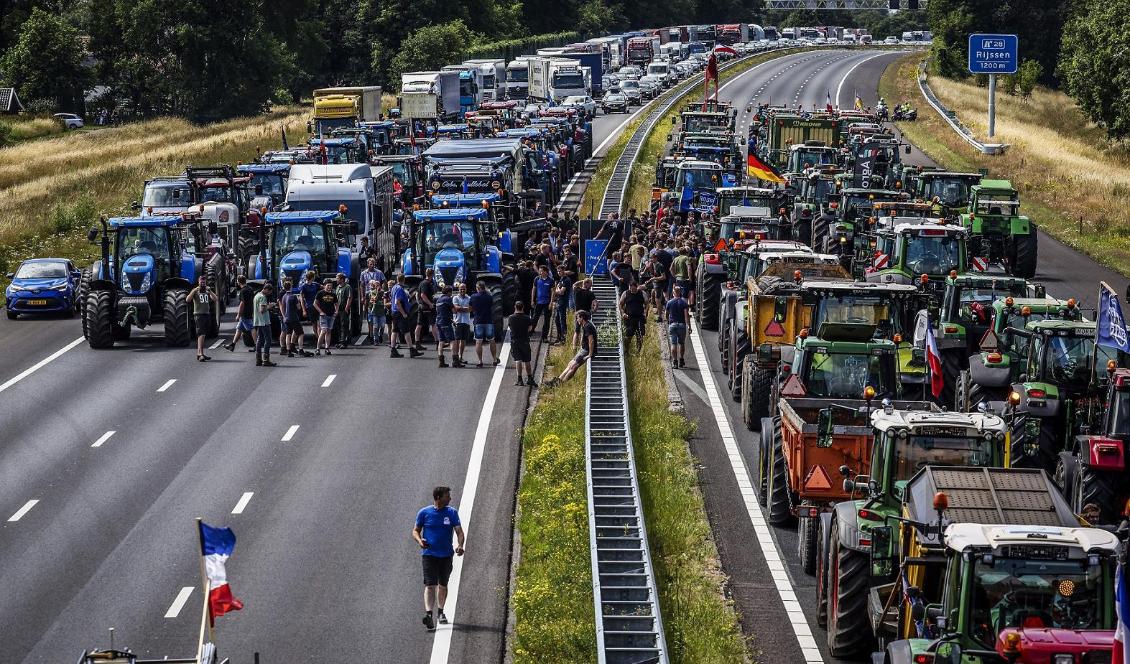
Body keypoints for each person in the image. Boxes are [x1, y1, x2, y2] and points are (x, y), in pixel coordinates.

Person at [412, 486, 465, 632]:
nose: (450, 498)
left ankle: (441, 612)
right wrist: (420, 541)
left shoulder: (452, 513)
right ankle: (429, 614)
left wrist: (460, 545)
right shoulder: (424, 513)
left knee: (443, 584)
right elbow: (415, 531)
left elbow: (459, 532)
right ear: (438, 498)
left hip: (446, 555)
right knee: (430, 584)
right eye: (447, 496)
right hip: (429, 555)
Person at [548, 309, 596, 385]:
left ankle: (561, 384)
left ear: (582, 318)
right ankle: (558, 380)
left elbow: (591, 340)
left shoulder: (587, 326)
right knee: (570, 364)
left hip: (586, 350)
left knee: (574, 366)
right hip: (583, 349)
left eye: (578, 318)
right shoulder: (585, 325)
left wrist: (590, 354)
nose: (577, 320)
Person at [187, 275, 217, 362]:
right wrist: (194, 291)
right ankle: (200, 354)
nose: (202, 284)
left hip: (206, 314)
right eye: (201, 282)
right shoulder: (196, 291)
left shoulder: (207, 290)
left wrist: (210, 291)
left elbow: (215, 299)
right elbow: (188, 300)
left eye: (204, 282)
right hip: (198, 315)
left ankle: (200, 353)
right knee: (201, 334)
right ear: (198, 282)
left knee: (203, 335)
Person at [469, 280, 500, 367]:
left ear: (478, 288)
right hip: (488, 321)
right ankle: (494, 359)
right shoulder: (489, 297)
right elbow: (491, 305)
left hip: (478, 321)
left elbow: (470, 308)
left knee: (478, 341)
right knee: (491, 340)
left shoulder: (474, 297)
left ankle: (480, 361)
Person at [389, 274, 420, 358]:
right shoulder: (399, 289)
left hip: (394, 312)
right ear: (404, 280)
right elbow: (397, 302)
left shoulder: (394, 287)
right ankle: (411, 349)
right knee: (406, 331)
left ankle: (393, 349)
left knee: (394, 331)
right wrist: (404, 313)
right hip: (400, 313)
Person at [223, 275, 255, 352]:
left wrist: (238, 314)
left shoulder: (242, 291)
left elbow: (242, 303)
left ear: (238, 282)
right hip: (250, 310)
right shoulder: (250, 289)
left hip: (244, 313)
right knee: (239, 329)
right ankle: (232, 345)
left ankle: (257, 345)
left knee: (252, 328)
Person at [508, 301, 536, 386]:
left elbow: (510, 327)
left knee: (518, 360)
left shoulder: (511, 317)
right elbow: (530, 328)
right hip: (525, 341)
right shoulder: (527, 318)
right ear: (523, 307)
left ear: (515, 307)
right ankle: (530, 378)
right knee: (527, 360)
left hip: (515, 341)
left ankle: (519, 379)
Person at [618, 279, 648, 354]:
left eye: (634, 289)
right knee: (628, 336)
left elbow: (647, 304)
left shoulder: (642, 293)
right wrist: (623, 313)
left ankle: (638, 351)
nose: (632, 290)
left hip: (640, 317)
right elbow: (620, 304)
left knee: (640, 335)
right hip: (629, 318)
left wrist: (645, 313)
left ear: (637, 287)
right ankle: (626, 350)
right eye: (631, 289)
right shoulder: (626, 293)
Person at [280, 279, 308, 358]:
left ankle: (289, 350)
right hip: (294, 318)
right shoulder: (293, 297)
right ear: (291, 287)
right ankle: (301, 349)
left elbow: (283, 306)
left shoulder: (284, 296)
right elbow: (298, 307)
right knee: (300, 333)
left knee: (288, 334)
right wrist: (299, 300)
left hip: (286, 318)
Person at [666, 285, 690, 368]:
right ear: (680, 293)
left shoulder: (669, 302)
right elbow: (686, 315)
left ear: (673, 293)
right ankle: (681, 360)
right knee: (681, 343)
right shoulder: (684, 303)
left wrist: (668, 322)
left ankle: (675, 362)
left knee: (673, 344)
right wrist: (689, 326)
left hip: (672, 325)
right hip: (681, 325)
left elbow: (667, 313)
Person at [253, 282, 277, 367]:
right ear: (266, 289)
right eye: (269, 292)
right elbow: (262, 310)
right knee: (268, 340)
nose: (269, 294)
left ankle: (258, 359)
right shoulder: (263, 297)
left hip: (258, 321)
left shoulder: (256, 295)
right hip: (264, 321)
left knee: (260, 340)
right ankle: (266, 359)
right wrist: (270, 306)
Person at [415, 268, 437, 352]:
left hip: (421, 306)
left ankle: (417, 343)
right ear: (432, 275)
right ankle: (437, 342)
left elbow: (417, 294)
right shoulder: (426, 283)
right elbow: (423, 295)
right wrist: (430, 304)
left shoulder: (421, 283)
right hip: (427, 307)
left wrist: (419, 303)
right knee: (433, 324)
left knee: (419, 325)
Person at [314, 279, 338, 356]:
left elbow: (337, 304)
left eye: (330, 286)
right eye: (328, 285)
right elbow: (315, 304)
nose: (329, 287)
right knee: (323, 331)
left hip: (331, 315)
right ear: (324, 286)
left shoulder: (333, 295)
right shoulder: (320, 293)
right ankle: (318, 348)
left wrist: (336, 311)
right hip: (323, 315)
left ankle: (327, 348)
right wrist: (320, 311)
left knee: (329, 331)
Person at [572, 278, 598, 349]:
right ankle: (582, 347)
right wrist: (593, 311)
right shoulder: (590, 293)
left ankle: (574, 347)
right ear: (587, 284)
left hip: (578, 314)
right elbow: (596, 304)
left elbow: (574, 284)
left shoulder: (577, 290)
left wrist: (582, 281)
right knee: (584, 331)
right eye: (590, 284)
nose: (591, 286)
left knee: (577, 331)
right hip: (586, 314)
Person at [434, 285, 456, 368]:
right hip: (446, 322)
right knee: (452, 340)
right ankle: (455, 360)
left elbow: (440, 312)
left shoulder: (438, 300)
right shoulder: (448, 299)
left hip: (438, 322)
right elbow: (454, 311)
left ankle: (441, 361)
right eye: (451, 292)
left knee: (441, 341)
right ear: (449, 292)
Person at [531, 265, 555, 341]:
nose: (540, 272)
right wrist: (532, 300)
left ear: (546, 272)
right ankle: (530, 333)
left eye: (542, 271)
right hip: (539, 302)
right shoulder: (536, 279)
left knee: (547, 320)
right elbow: (534, 290)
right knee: (535, 318)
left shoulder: (551, 280)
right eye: (540, 271)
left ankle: (544, 337)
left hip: (547, 302)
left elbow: (553, 292)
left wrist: (551, 302)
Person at [452, 282, 472, 365]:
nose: (462, 290)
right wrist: (465, 309)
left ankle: (460, 356)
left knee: (463, 340)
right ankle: (456, 357)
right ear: (458, 289)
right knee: (457, 340)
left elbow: (471, 309)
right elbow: (456, 308)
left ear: (466, 289)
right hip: (458, 321)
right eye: (461, 289)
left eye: (464, 289)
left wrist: (461, 308)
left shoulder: (469, 298)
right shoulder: (455, 298)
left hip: (466, 321)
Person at [334, 272, 353, 349]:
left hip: (343, 309)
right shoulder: (338, 287)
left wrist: (346, 308)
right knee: (338, 325)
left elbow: (349, 298)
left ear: (342, 279)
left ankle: (344, 342)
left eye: (337, 278)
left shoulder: (347, 287)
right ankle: (339, 341)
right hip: (337, 309)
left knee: (344, 325)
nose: (336, 280)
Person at [366, 281, 386, 346]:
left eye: (378, 285)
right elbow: (374, 299)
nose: (377, 286)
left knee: (382, 326)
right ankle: (376, 340)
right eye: (376, 285)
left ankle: (380, 335)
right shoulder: (372, 292)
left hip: (382, 312)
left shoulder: (383, 292)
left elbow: (385, 300)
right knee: (375, 326)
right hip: (375, 312)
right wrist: (377, 292)